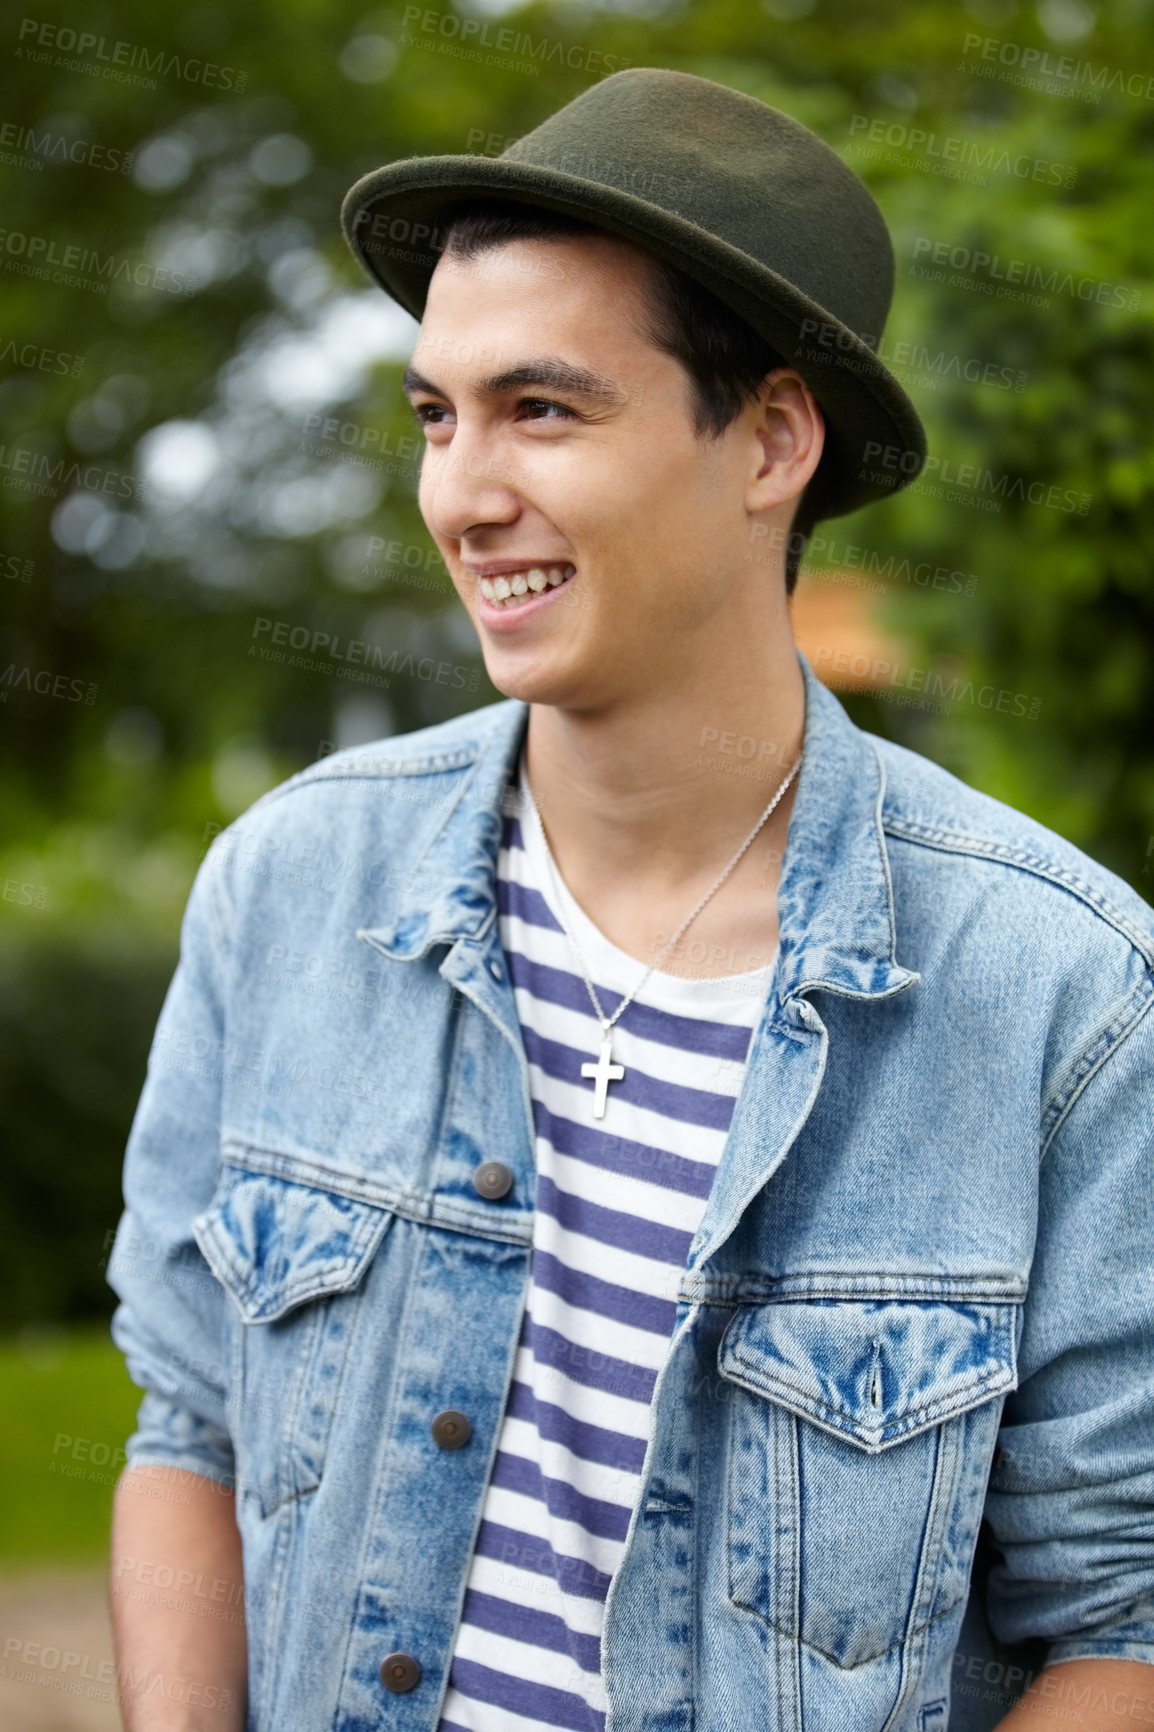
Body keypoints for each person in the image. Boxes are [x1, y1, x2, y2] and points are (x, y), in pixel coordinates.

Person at [106, 67, 1154, 1732]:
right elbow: (191, 1430)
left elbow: (1122, 1617)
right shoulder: (288, 886)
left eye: (543, 409)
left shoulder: (1062, 995)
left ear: (772, 440)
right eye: (436, 415)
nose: (460, 494)